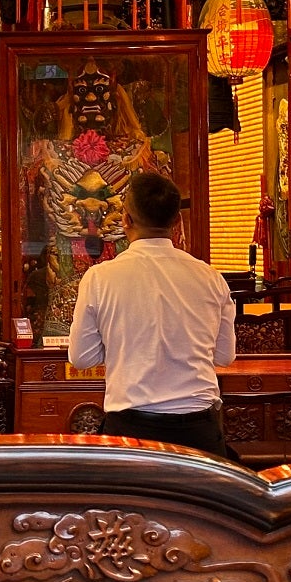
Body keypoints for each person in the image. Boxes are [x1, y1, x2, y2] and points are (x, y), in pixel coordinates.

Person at [67, 171, 236, 458]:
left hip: (131, 431)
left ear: (126, 220)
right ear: (176, 221)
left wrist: (121, 343)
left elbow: (81, 358)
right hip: (199, 431)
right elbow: (225, 356)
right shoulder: (210, 277)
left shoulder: (100, 278)